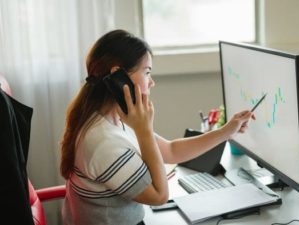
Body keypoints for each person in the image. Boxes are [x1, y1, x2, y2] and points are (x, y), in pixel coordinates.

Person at [60, 29, 254, 225]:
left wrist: (225, 132)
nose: (152, 82)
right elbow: (159, 196)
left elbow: (171, 151)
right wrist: (143, 131)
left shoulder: (113, 119)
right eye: (147, 72)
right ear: (118, 76)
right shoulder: (103, 142)